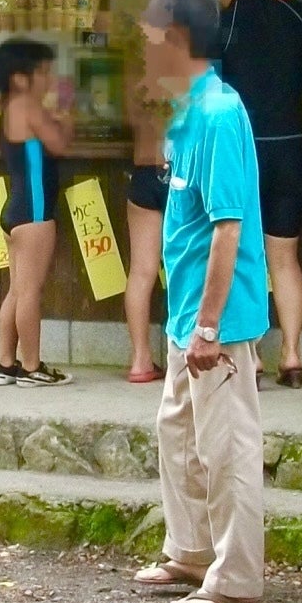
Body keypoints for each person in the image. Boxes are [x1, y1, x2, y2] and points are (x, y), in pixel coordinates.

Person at [130, 0, 270, 603]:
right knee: (179, 434)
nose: (143, 47)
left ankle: (235, 576)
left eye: (150, 36)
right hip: (186, 308)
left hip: (218, 317)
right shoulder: (185, 111)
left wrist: (210, 327)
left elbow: (228, 226)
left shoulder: (217, 113)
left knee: (226, 444)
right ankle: (189, 550)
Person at [205, 0, 302, 388]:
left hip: (243, 151)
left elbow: (206, 87)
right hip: (291, 149)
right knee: (284, 256)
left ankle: (254, 357)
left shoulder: (221, 25)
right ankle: (293, 356)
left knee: (242, 254)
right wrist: (292, 86)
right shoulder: (294, 13)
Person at [0, 38, 73, 387]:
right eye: (44, 72)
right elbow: (60, 144)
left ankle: (4, 362)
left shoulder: (8, 108)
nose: (49, 79)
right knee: (29, 292)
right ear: (21, 78)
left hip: (15, 211)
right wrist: (66, 112)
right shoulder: (29, 107)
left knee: (16, 289)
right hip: (34, 213)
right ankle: (32, 366)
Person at [122, 28, 172, 383]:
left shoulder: (133, 82)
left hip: (143, 174)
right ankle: (181, 355)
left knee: (141, 272)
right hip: (179, 176)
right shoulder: (184, 78)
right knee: (186, 267)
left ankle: (140, 360)